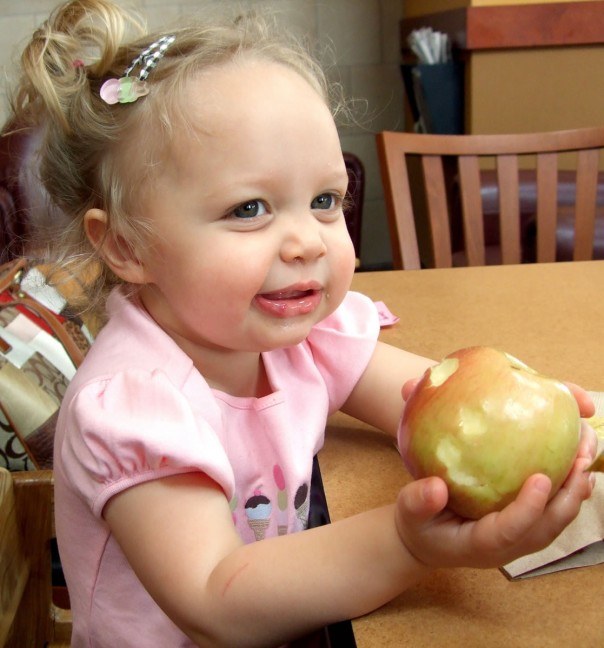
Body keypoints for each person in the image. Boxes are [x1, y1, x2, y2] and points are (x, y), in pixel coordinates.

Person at [7, 1, 597, 646]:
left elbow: (441, 401)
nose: (306, 243)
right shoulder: (133, 408)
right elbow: (215, 596)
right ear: (126, 246)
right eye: (250, 207)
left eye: (324, 200)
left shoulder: (302, 331)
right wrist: (407, 541)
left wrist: (567, 421)